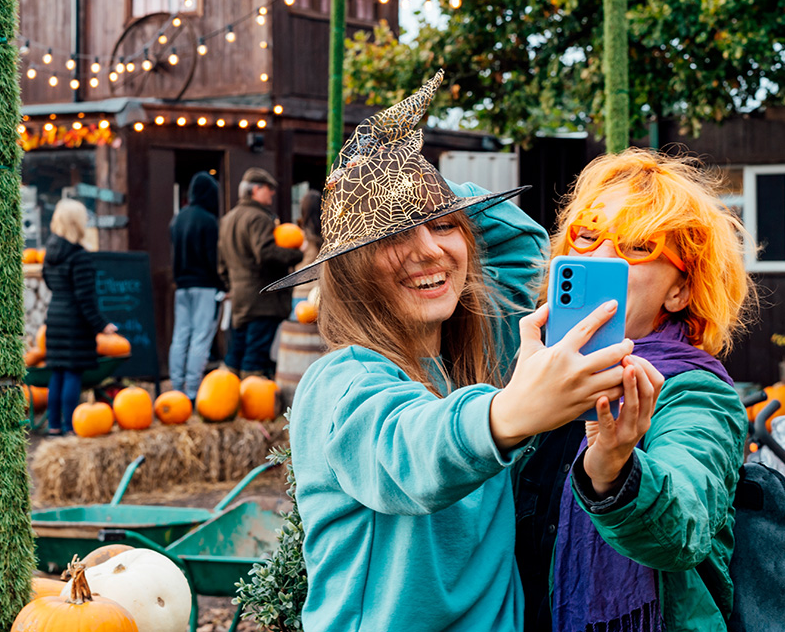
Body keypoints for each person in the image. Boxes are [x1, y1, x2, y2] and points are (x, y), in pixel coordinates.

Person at [270, 72, 635, 632]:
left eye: (444, 226)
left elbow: (524, 249)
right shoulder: (339, 385)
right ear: (348, 270)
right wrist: (510, 413)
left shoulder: (476, 356)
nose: (427, 251)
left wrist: (415, 176)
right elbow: (410, 451)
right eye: (391, 236)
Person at [517, 149, 755, 632]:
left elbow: (685, 527)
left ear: (681, 291)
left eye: (638, 246)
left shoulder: (696, 394)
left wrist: (614, 470)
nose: (602, 256)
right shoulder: (530, 370)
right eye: (587, 235)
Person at [218, 167, 301, 378]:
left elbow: (221, 264)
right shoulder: (258, 218)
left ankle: (230, 401)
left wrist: (232, 286)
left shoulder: (228, 219)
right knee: (255, 356)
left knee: (235, 354)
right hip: (263, 300)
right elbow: (266, 253)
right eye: (268, 188)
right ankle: (251, 403)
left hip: (239, 299)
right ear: (255, 190)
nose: (272, 193)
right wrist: (296, 255)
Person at [42, 199, 117, 436]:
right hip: (74, 321)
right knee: (73, 372)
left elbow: (48, 282)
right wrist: (102, 325)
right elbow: (86, 298)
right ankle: (70, 426)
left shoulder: (50, 252)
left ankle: (54, 425)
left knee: (57, 372)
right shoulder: (79, 256)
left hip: (54, 316)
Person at [169, 172, 223, 400]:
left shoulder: (177, 220)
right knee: (200, 338)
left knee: (180, 337)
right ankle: (192, 392)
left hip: (182, 287)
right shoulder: (209, 221)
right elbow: (212, 260)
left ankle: (175, 389)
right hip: (205, 287)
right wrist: (221, 284)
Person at [290, 189, 322, 317]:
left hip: (300, 292)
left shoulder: (297, 236)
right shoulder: (328, 235)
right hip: (320, 293)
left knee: (299, 333)